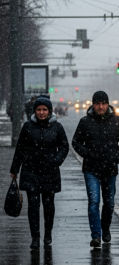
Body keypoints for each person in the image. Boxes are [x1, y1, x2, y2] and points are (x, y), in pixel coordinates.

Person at [72, 91, 119, 248]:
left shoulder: (117, 121)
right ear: (93, 105)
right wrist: (88, 154)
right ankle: (96, 235)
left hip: (110, 169)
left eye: (103, 103)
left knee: (109, 202)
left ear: (107, 104)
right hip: (91, 169)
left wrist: (116, 157)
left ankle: (105, 228)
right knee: (94, 201)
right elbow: (76, 142)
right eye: (97, 103)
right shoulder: (85, 122)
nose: (100, 107)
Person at [10, 97, 70, 249]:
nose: (41, 113)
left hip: (50, 172)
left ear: (49, 111)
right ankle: (35, 237)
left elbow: (64, 147)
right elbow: (20, 148)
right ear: (34, 111)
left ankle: (47, 234)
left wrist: (56, 160)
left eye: (44, 110)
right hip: (31, 171)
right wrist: (14, 169)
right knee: (33, 206)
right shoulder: (28, 127)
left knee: (48, 206)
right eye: (38, 110)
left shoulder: (57, 127)